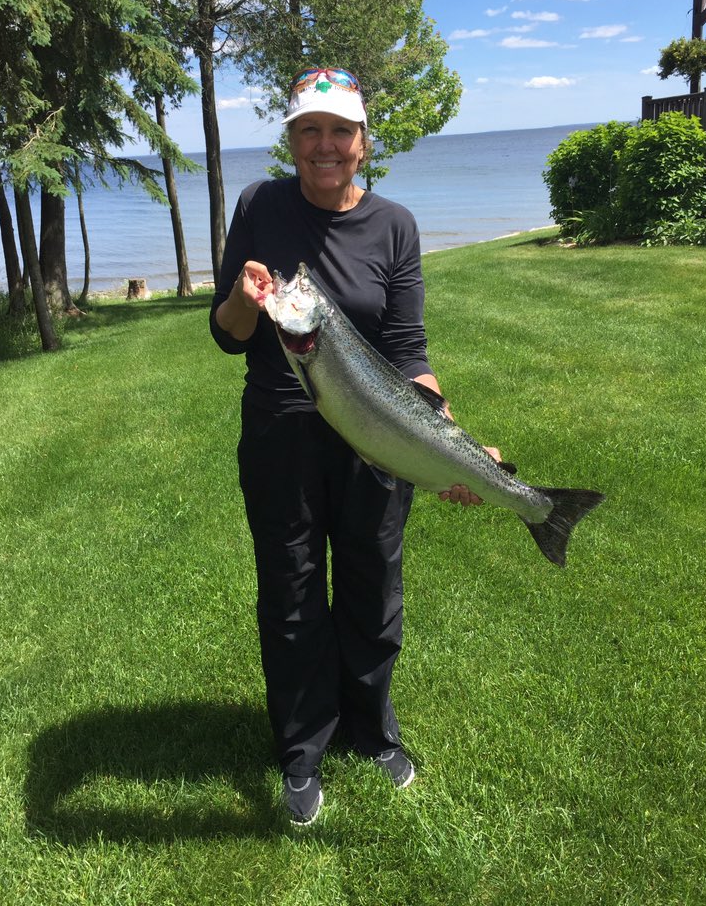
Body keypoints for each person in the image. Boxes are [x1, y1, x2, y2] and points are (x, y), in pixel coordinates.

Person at [210, 67, 498, 826]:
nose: (325, 146)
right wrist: (244, 298)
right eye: (309, 130)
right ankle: (302, 748)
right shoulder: (260, 205)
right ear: (291, 141)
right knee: (292, 590)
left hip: (378, 433)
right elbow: (228, 337)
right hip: (280, 435)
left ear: (363, 142)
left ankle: (370, 730)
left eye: (340, 131)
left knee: (373, 585)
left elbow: (408, 351)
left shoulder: (394, 225)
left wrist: (454, 445)